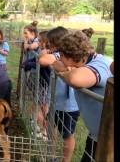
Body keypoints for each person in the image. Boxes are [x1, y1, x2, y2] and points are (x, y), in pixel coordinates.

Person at [55, 30, 113, 161]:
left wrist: (66, 73)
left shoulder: (100, 64)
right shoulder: (84, 62)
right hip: (97, 135)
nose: (59, 58)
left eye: (61, 55)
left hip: (108, 141)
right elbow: (54, 63)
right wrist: (67, 69)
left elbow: (76, 80)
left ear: (69, 57)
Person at [38, 26, 80, 162]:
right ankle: (51, 154)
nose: (48, 44)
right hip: (56, 102)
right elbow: (43, 59)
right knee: (51, 127)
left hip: (69, 105)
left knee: (67, 135)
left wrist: (59, 64)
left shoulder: (69, 56)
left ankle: (65, 160)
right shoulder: (59, 56)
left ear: (57, 42)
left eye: (50, 42)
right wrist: (63, 67)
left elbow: (44, 59)